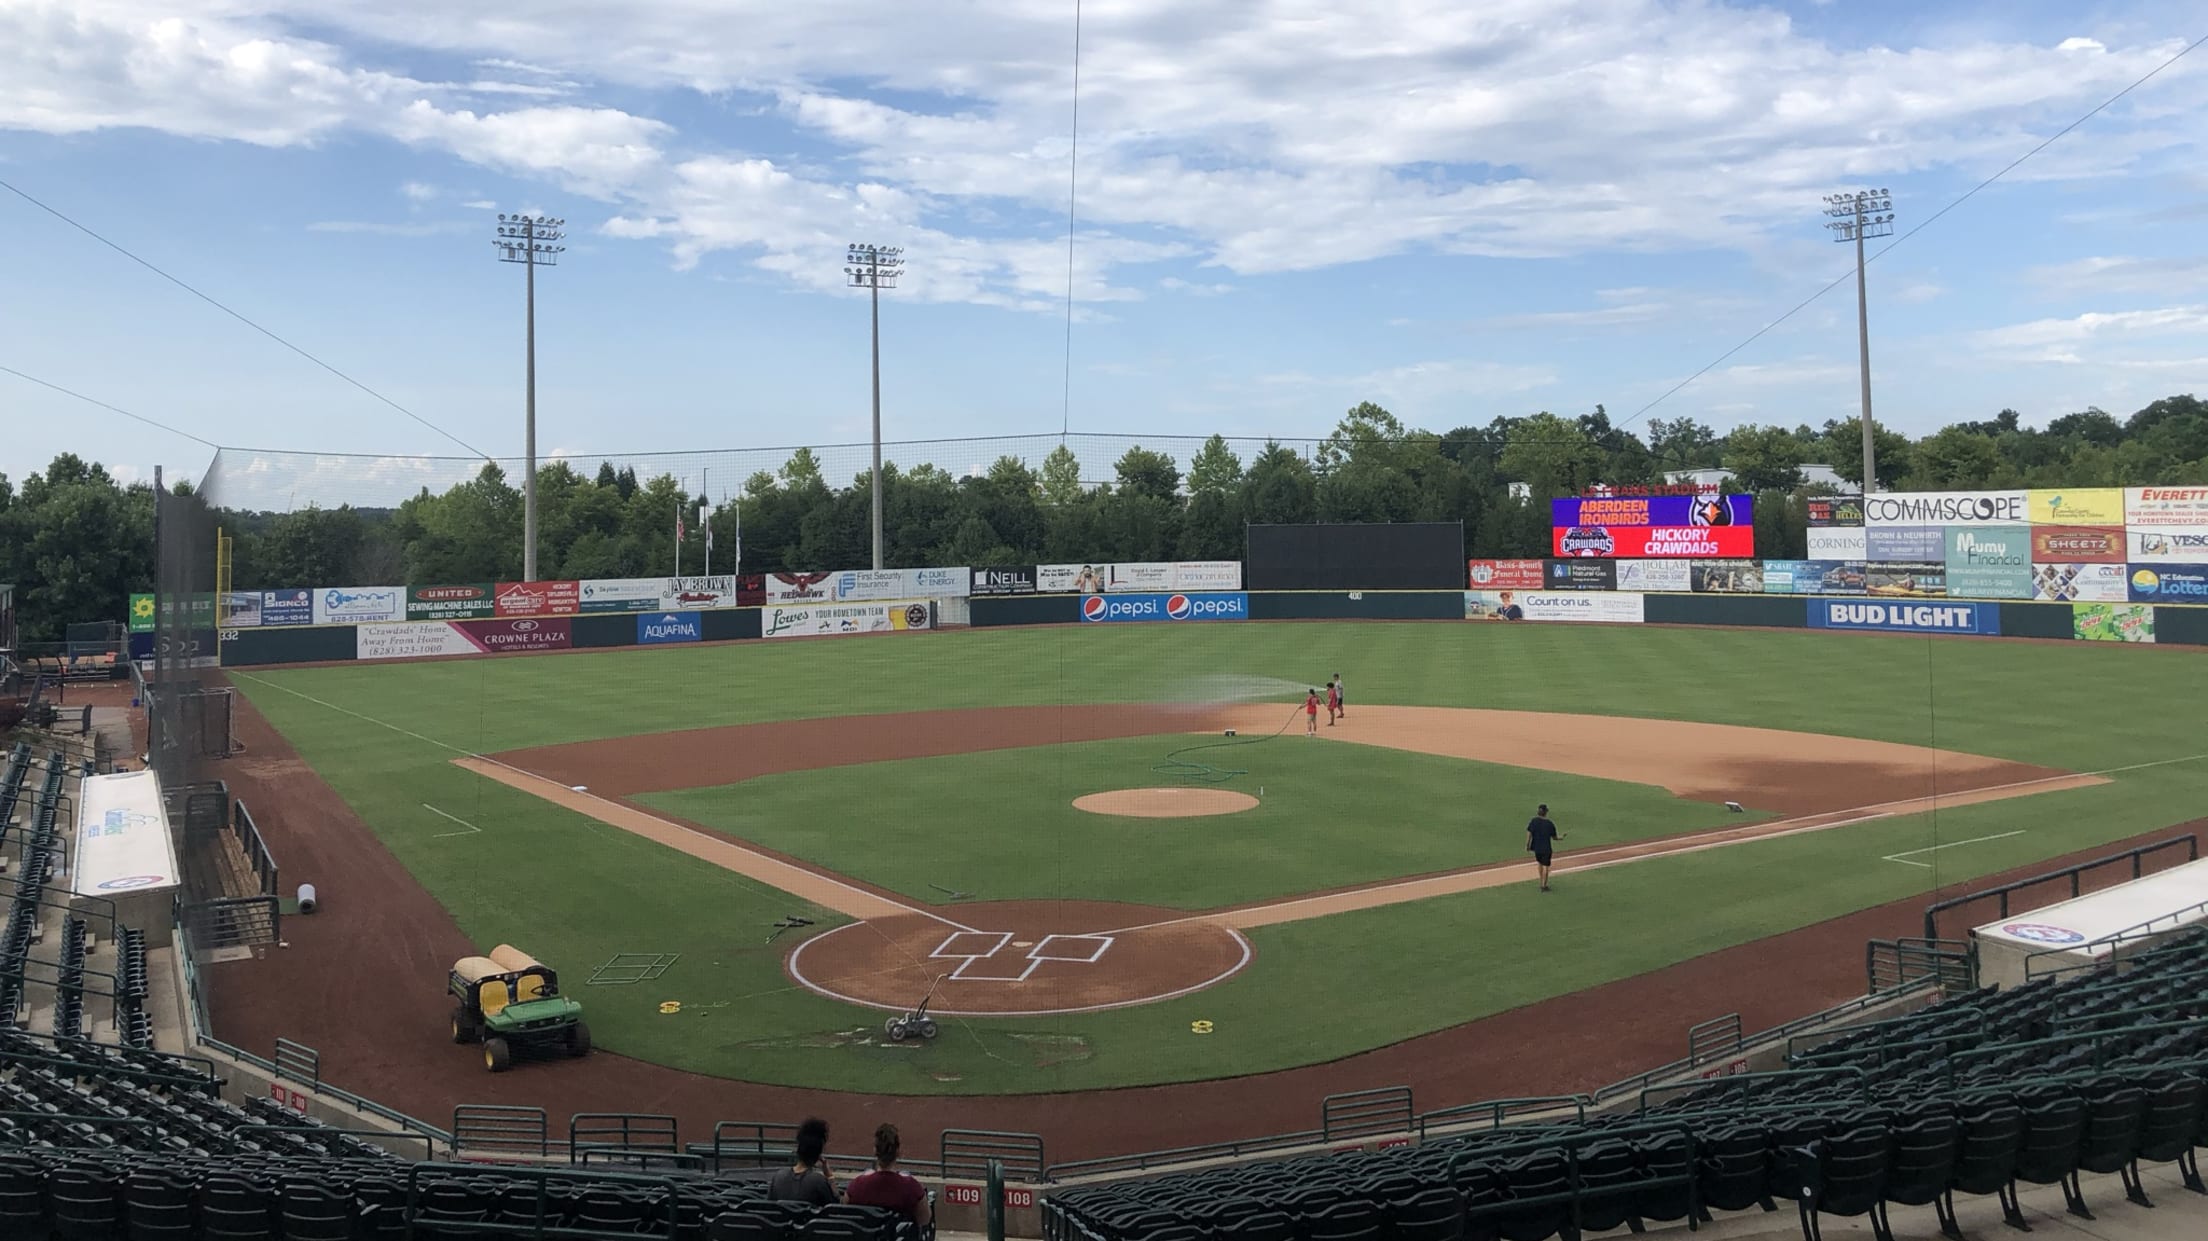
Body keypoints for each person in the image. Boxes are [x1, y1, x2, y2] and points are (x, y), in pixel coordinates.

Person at [844, 1123, 932, 1228]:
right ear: (898, 1152)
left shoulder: (857, 1186)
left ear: (875, 1151)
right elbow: (925, 1219)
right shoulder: (911, 1187)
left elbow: (845, 1213)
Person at [766, 1117, 838, 1204]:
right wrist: (830, 1177)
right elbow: (835, 1207)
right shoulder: (818, 1181)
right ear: (818, 1154)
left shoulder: (778, 1178)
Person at [1527, 803, 1564, 892]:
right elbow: (1554, 837)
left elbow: (1529, 834)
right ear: (1545, 812)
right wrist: (1561, 838)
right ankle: (1544, 885)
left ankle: (1541, 882)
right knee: (1546, 866)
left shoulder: (1534, 821)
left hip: (1537, 848)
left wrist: (1527, 845)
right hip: (1546, 848)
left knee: (1539, 863)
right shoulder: (1549, 824)